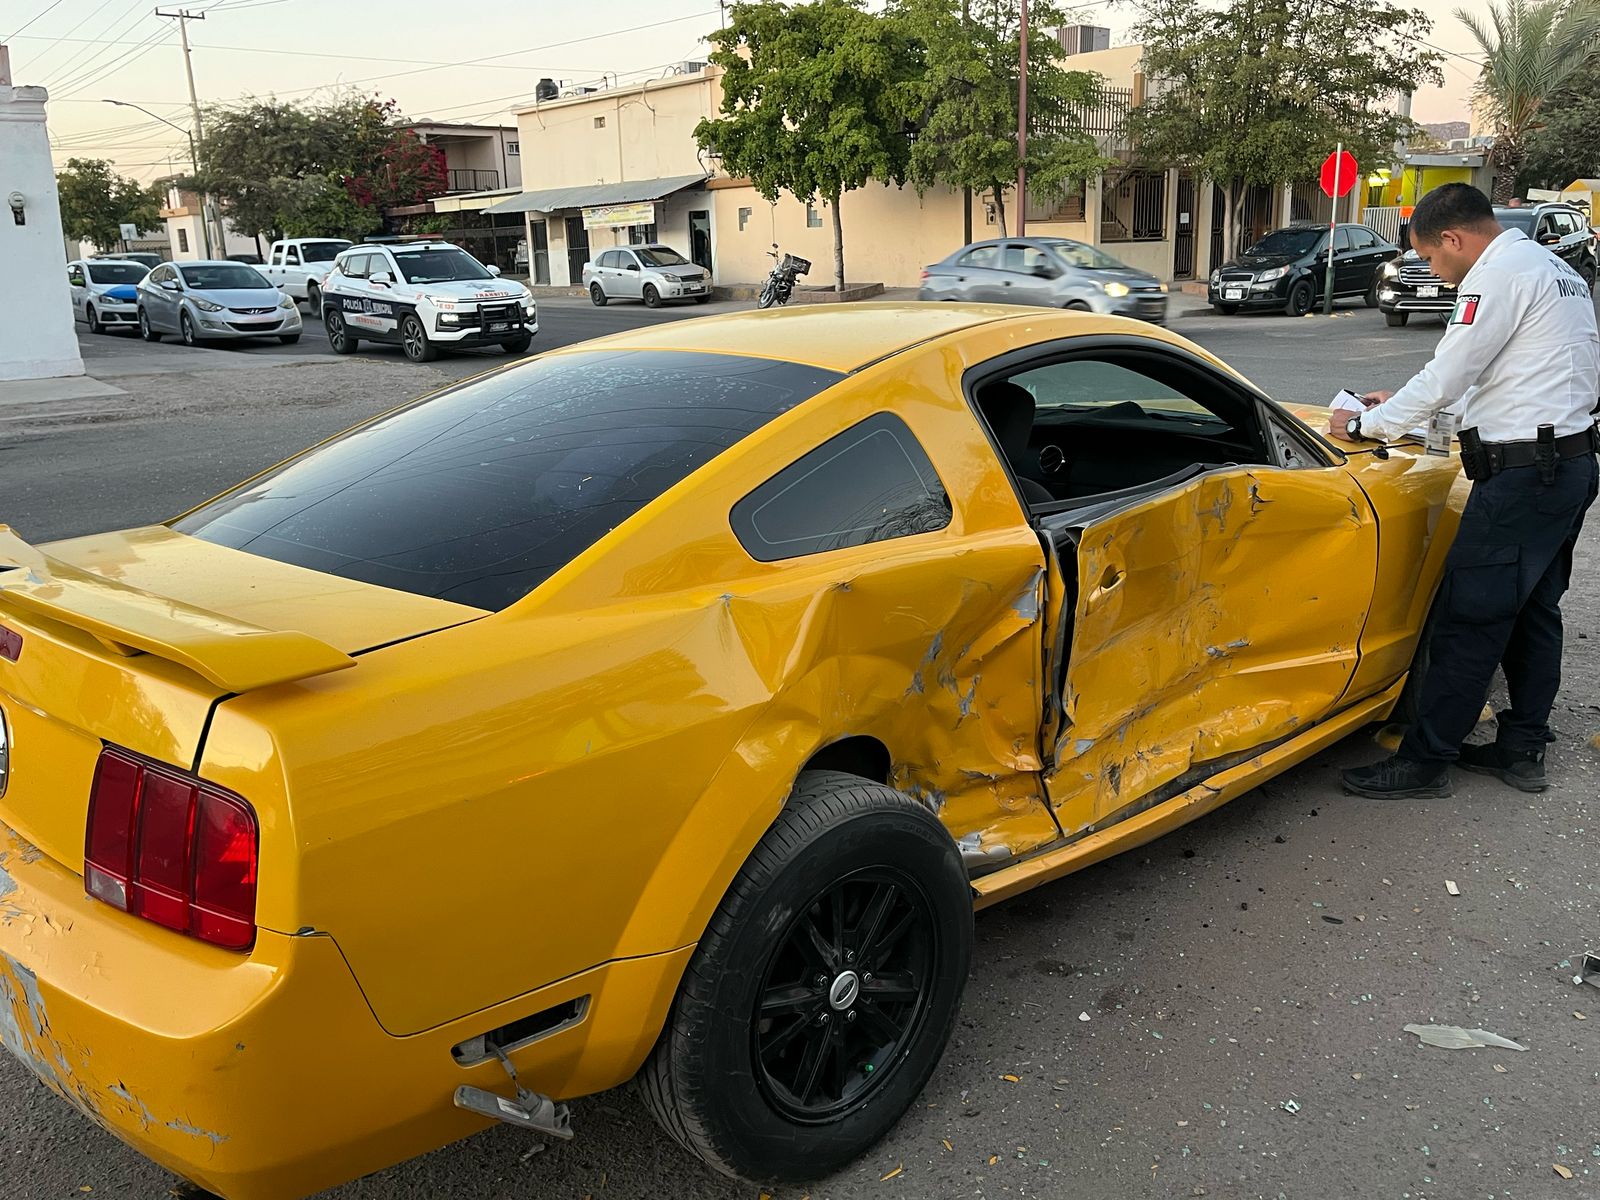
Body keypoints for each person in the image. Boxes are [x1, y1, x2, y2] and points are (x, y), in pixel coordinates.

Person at [1329, 183, 1600, 798]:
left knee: (1469, 615)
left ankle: (1425, 761)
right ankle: (1522, 747)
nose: (1432, 269)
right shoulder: (1554, 269)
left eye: (1429, 256)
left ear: (1452, 238)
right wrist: (1412, 409)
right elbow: (1515, 384)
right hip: (1567, 464)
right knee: (1533, 610)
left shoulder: (1495, 275)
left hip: (1522, 479)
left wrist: (1369, 424)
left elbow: (1448, 374)